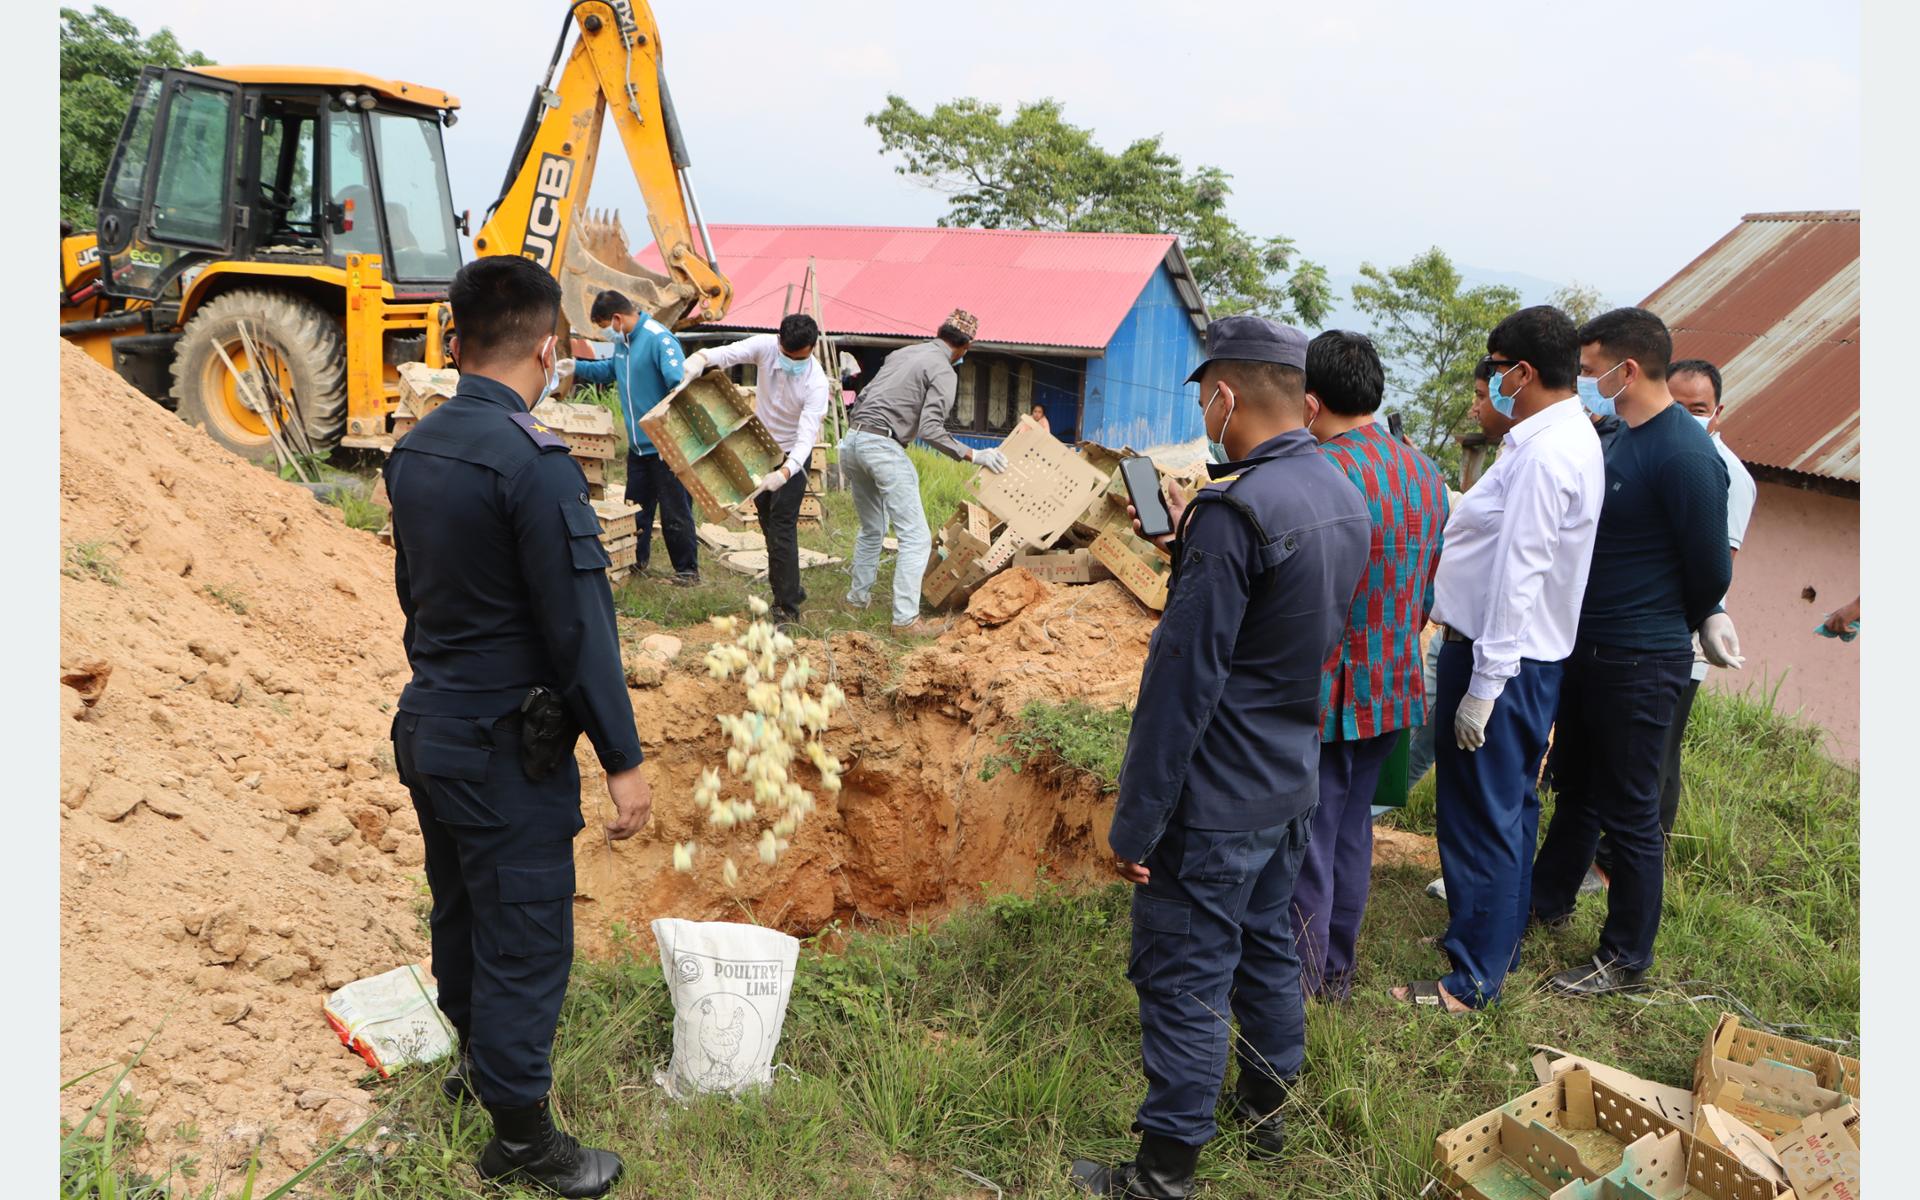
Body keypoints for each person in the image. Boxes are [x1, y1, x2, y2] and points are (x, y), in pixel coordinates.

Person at [1069, 316, 1370, 1196]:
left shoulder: (1234, 511)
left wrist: (1136, 821)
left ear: (1226, 395)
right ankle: (1267, 1113)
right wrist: (1187, 554)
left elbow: (1183, 685)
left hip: (1216, 797)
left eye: (1205, 396)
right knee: (1267, 944)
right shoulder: (1337, 492)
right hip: (1287, 777)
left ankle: (1163, 1173)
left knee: (1186, 971)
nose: (1204, 410)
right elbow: (1282, 627)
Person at [384, 255, 652, 1196]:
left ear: (458, 340)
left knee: (459, 906)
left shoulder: (414, 451)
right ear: (549, 347)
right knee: (527, 931)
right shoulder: (535, 466)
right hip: (505, 745)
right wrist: (622, 758)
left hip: (429, 726)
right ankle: (525, 1139)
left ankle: (472, 1067)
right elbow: (579, 628)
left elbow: (415, 596)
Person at [1393, 306, 1605, 1013]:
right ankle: (1488, 939)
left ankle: (1472, 979)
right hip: (1507, 656)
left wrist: (1485, 686)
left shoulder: (1547, 454)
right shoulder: (1547, 440)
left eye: (1496, 365)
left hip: (1499, 660)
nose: (1491, 380)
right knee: (1504, 810)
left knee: (1483, 816)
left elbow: (1521, 573)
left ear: (1522, 371)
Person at [1529, 309, 1739, 998]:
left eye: (1593, 370)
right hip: (1588, 647)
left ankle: (1625, 956)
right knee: (1578, 788)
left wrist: (1689, 616)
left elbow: (1710, 568)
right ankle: (1548, 899)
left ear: (1630, 368)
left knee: (1631, 810)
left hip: (1641, 657)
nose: (1587, 381)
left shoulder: (1684, 454)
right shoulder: (1619, 436)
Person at [1288, 331, 1449, 1002]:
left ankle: (1295, 984)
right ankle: (1337, 976)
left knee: (1307, 845)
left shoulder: (1319, 475)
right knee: (1352, 832)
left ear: (1310, 402)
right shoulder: (1425, 473)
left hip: (1325, 692)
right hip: (1393, 684)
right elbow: (1429, 592)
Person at [1590, 358, 1754, 880]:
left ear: (1718, 411)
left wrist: (1694, 618)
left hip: (1672, 641)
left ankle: (1620, 868)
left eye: (1698, 409)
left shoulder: (1717, 468)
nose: (1686, 416)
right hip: (1627, 638)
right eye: (1677, 405)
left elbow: (1712, 568)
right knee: (1619, 761)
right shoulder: (1644, 444)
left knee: (1655, 763)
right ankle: (1597, 861)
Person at [838, 309, 1010, 635]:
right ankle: (905, 621)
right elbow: (931, 429)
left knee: (872, 527)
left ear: (939, 332)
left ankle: (855, 600)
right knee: (916, 538)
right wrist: (974, 454)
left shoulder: (904, 353)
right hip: (884, 447)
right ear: (966, 346)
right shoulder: (944, 371)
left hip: (853, 440)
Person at [684, 315, 832, 624]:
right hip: (761, 447)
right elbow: (729, 354)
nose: (792, 362)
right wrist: (701, 358)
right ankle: (789, 587)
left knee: (781, 527)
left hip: (792, 455)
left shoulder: (816, 383)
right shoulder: (765, 347)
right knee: (766, 522)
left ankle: (787, 610)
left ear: (812, 348)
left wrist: (784, 473)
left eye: (799, 358)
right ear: (779, 343)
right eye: (787, 356)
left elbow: (807, 439)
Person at [572, 289, 699, 585]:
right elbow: (609, 371)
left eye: (605, 325)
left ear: (617, 318)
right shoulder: (624, 343)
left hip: (666, 446)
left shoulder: (658, 339)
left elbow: (678, 385)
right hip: (639, 448)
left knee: (674, 511)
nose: (606, 333)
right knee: (634, 510)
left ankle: (687, 571)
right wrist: (575, 366)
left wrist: (673, 431)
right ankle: (635, 561)